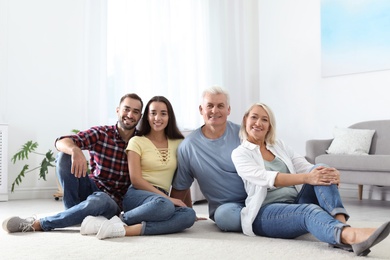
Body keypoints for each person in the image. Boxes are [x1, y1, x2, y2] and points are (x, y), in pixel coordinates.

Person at [231, 102, 390, 257]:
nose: (258, 123)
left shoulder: (278, 145)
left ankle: (341, 224)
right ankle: (349, 235)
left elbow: (307, 167)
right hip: (265, 213)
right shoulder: (240, 153)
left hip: (295, 202)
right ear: (245, 120)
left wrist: (328, 173)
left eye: (264, 119)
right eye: (254, 117)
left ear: (269, 125)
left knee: (320, 168)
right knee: (308, 211)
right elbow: (267, 178)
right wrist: (308, 177)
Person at [2, 93, 143, 233]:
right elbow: (60, 142)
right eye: (126, 109)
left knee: (100, 200)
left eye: (135, 112)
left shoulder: (141, 142)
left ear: (140, 117)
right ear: (118, 110)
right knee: (64, 156)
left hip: (112, 202)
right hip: (91, 187)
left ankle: (38, 224)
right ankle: (72, 213)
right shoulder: (102, 133)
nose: (130, 115)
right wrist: (76, 150)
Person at [83, 96, 196, 239]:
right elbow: (136, 180)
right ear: (147, 117)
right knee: (165, 206)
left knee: (189, 216)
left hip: (159, 199)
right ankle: (123, 218)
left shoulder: (179, 143)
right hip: (137, 194)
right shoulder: (137, 141)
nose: (157, 118)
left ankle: (123, 229)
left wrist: (188, 207)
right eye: (153, 113)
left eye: (163, 113)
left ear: (169, 117)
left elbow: (183, 177)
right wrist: (168, 199)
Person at [170, 86, 247, 232]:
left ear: (228, 110)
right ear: (201, 110)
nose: (215, 111)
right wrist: (187, 213)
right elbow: (181, 186)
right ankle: (268, 218)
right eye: (210, 106)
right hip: (227, 208)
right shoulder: (188, 146)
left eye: (220, 106)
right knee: (226, 218)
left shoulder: (244, 134)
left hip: (257, 197)